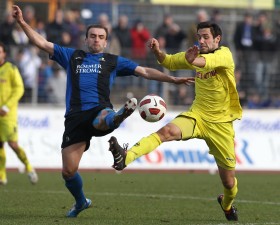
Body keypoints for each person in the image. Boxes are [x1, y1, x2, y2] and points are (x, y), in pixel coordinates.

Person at [12, 5, 194, 218]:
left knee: (102, 116)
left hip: (99, 110)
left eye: (100, 37)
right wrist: (22, 23)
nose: (96, 40)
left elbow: (144, 71)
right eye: (93, 36)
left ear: (106, 41)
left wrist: (172, 78)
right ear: (86, 39)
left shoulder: (112, 61)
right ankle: (81, 202)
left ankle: (117, 116)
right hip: (74, 118)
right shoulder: (71, 56)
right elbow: (41, 43)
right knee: (68, 172)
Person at [109, 21, 242, 222]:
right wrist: (157, 52)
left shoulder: (225, 55)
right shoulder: (195, 53)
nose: (202, 40)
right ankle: (126, 157)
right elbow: (168, 62)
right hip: (197, 115)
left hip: (221, 125)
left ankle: (227, 204)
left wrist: (192, 61)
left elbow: (206, 63)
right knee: (166, 132)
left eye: (206, 37)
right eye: (199, 36)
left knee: (230, 183)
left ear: (217, 39)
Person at [0, 42, 38, 185]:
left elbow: (19, 89)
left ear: (4, 54)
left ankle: (29, 167)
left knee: (13, 144)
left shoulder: (11, 69)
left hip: (7, 115)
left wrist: (7, 106)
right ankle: (2, 176)